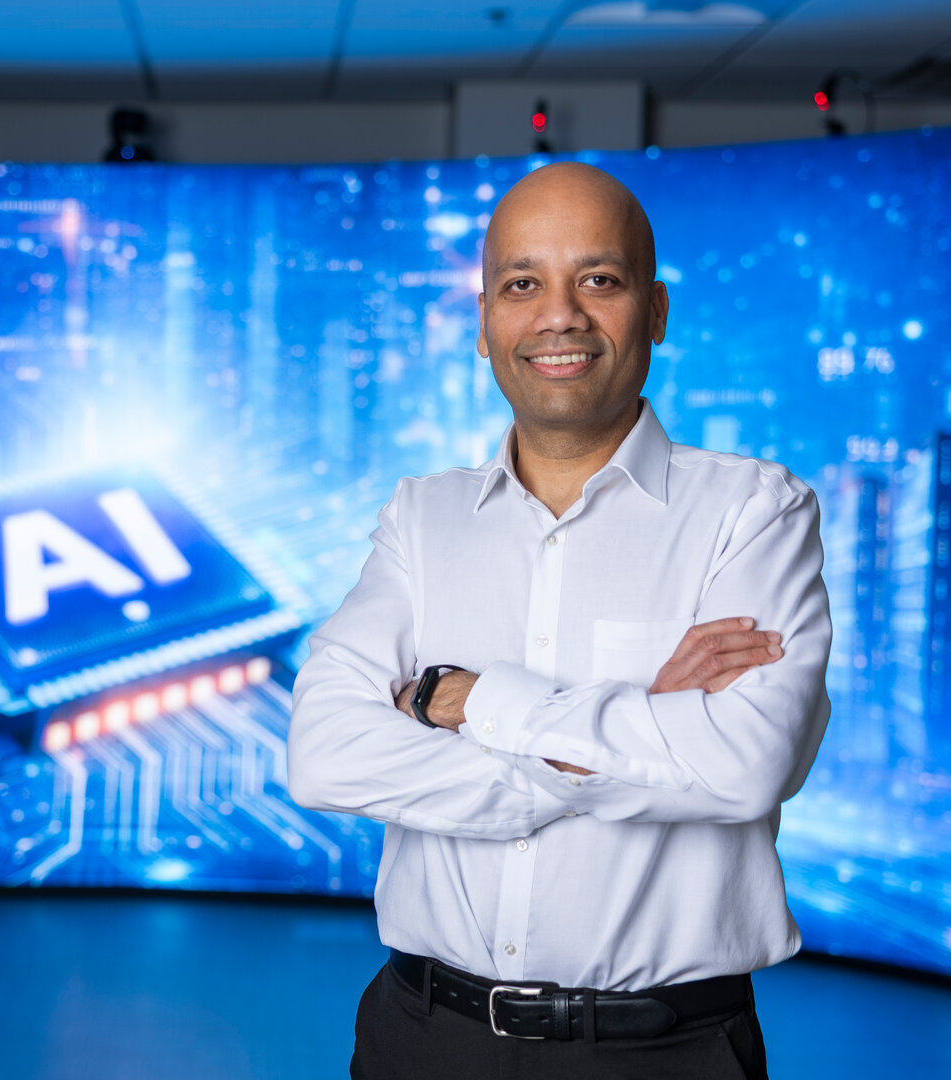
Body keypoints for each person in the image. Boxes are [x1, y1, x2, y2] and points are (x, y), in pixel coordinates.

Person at [287, 161, 831, 1079]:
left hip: (665, 1054)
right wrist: (629, 727)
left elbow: (746, 766)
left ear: (654, 312)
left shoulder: (754, 512)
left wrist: (474, 702)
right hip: (420, 1037)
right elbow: (323, 752)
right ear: (486, 324)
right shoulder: (422, 517)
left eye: (600, 280)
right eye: (522, 284)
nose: (560, 316)